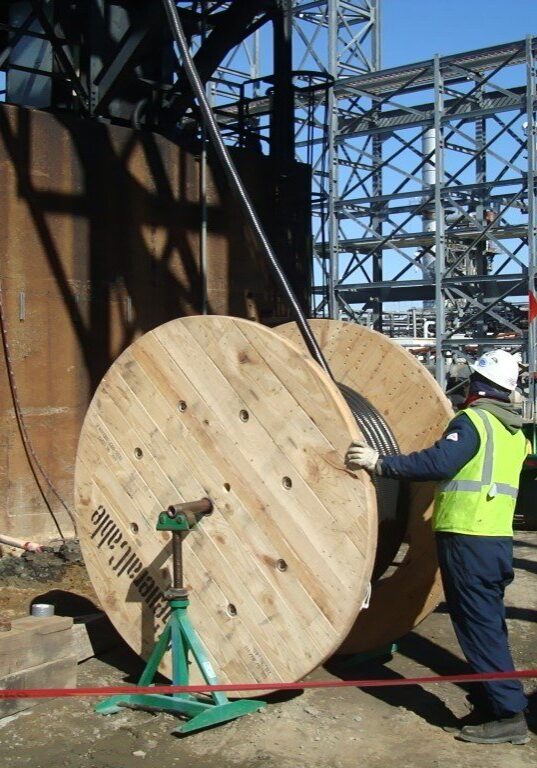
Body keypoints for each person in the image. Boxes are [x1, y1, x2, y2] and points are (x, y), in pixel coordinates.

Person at [345, 349, 530, 745]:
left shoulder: (475, 421)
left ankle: (508, 714)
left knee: (477, 626)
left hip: (468, 539)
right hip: (495, 540)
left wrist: (382, 463)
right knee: (489, 623)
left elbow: (439, 463)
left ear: (477, 385)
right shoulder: (515, 432)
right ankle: (495, 696)